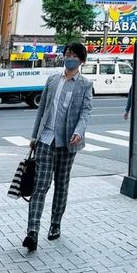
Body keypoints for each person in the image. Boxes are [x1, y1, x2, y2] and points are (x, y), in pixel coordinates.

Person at [23, 42, 93, 252]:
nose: (69, 57)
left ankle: (55, 224)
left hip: (67, 143)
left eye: (74, 55)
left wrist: (79, 131)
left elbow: (85, 112)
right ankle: (32, 231)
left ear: (81, 60)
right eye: (67, 54)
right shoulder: (53, 80)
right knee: (40, 186)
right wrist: (34, 136)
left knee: (61, 185)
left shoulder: (85, 84)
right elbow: (42, 109)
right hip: (46, 139)